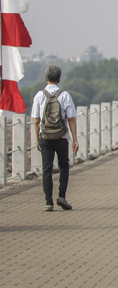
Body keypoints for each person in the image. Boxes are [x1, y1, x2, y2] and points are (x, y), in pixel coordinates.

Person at [31, 65, 78, 211]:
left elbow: (36, 120)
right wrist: (75, 139)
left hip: (45, 137)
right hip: (61, 137)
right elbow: (71, 118)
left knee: (47, 169)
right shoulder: (65, 95)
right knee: (64, 166)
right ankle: (62, 196)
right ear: (59, 77)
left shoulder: (39, 95)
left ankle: (48, 202)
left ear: (46, 77)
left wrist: (38, 139)